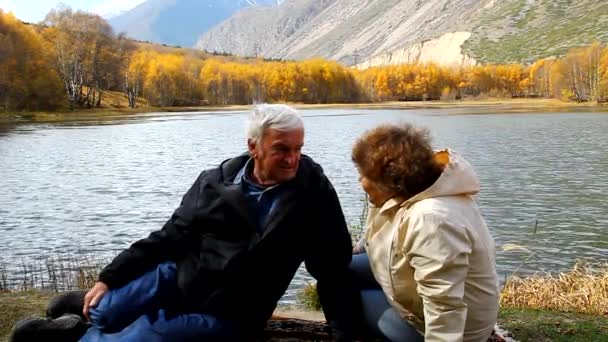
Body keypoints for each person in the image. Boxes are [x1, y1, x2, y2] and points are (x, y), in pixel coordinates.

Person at [10, 104, 357, 342]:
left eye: (298, 148)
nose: (293, 158)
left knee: (148, 334)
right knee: (107, 309)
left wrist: (345, 334)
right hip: (182, 276)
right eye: (282, 148)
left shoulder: (313, 194)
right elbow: (171, 235)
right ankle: (88, 314)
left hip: (232, 312)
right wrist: (109, 276)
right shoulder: (215, 180)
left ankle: (77, 334)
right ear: (254, 146)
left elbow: (332, 267)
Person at [349, 123, 500, 342]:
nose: (359, 181)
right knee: (337, 268)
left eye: (363, 174)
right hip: (428, 304)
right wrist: (357, 249)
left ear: (390, 180)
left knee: (348, 297)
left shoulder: (431, 219)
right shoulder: (411, 191)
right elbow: (378, 230)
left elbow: (444, 304)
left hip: (459, 332)